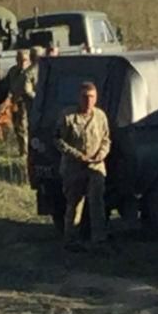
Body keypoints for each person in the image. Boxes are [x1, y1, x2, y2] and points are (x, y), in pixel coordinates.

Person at [54, 82, 111, 251]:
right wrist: (78, 156)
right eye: (85, 97)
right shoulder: (68, 117)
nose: (88, 101)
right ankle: (71, 239)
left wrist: (101, 154)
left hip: (96, 167)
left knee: (97, 203)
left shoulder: (100, 116)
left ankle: (99, 239)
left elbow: (106, 139)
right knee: (74, 203)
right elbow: (58, 140)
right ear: (79, 98)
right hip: (74, 167)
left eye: (92, 97)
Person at [6, 50, 32, 156]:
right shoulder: (13, 71)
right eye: (19, 60)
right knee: (17, 127)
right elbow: (8, 85)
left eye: (24, 60)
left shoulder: (31, 72)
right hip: (15, 102)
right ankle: (21, 148)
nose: (22, 63)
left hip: (26, 103)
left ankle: (25, 152)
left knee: (23, 127)